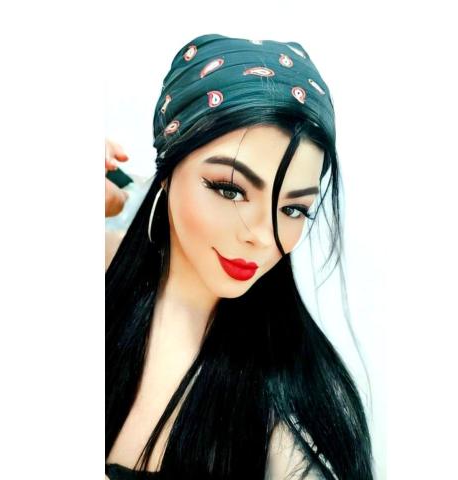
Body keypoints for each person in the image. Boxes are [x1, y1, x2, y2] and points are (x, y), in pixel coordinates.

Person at [105, 33, 374, 479]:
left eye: (292, 209)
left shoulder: (291, 406)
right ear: (167, 170)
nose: (263, 237)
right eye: (230, 189)